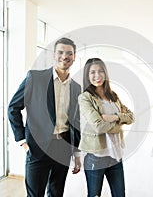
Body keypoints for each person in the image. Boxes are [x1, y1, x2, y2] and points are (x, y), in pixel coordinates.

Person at [8, 37, 81, 197]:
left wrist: (76, 153)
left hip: (63, 147)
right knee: (35, 194)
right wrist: (23, 141)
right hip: (37, 147)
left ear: (74, 57)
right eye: (60, 52)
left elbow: (76, 122)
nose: (65, 56)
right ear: (54, 55)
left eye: (69, 53)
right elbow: (13, 108)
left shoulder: (76, 87)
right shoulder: (35, 78)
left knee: (56, 192)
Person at [78, 58, 135, 197]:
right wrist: (120, 123)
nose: (97, 75)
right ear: (87, 75)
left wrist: (115, 117)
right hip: (96, 156)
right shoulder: (85, 97)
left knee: (119, 194)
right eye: (92, 72)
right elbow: (98, 126)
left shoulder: (113, 96)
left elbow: (131, 117)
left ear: (105, 73)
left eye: (100, 71)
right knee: (94, 195)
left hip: (115, 154)